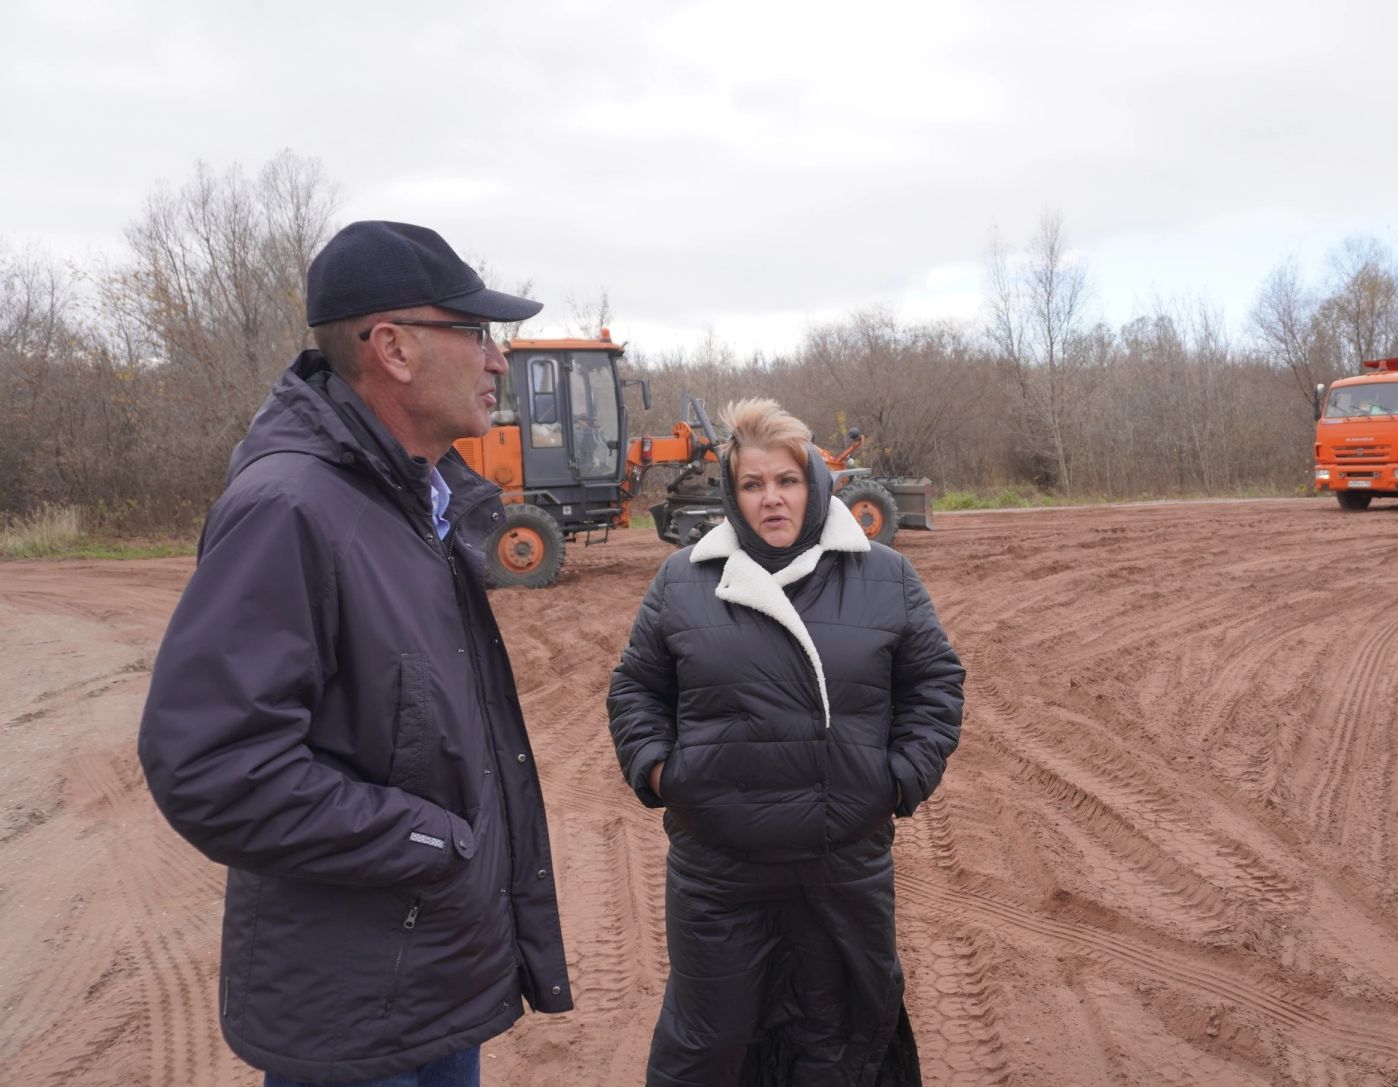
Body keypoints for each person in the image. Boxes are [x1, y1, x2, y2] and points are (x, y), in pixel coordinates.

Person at [138, 221, 572, 1086]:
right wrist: (433, 842)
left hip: (428, 982)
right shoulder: (290, 508)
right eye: (477, 333)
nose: (497, 361)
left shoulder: (418, 501)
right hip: (353, 1015)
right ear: (395, 349)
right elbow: (211, 765)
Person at [607, 398, 964, 1085]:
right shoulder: (683, 580)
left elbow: (936, 684)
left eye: (787, 481)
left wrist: (894, 780)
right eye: (753, 484)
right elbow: (635, 690)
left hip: (842, 863)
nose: (771, 498)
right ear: (733, 495)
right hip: (718, 870)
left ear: (814, 484)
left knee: (839, 1038)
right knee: (711, 1044)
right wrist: (661, 774)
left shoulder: (885, 574)